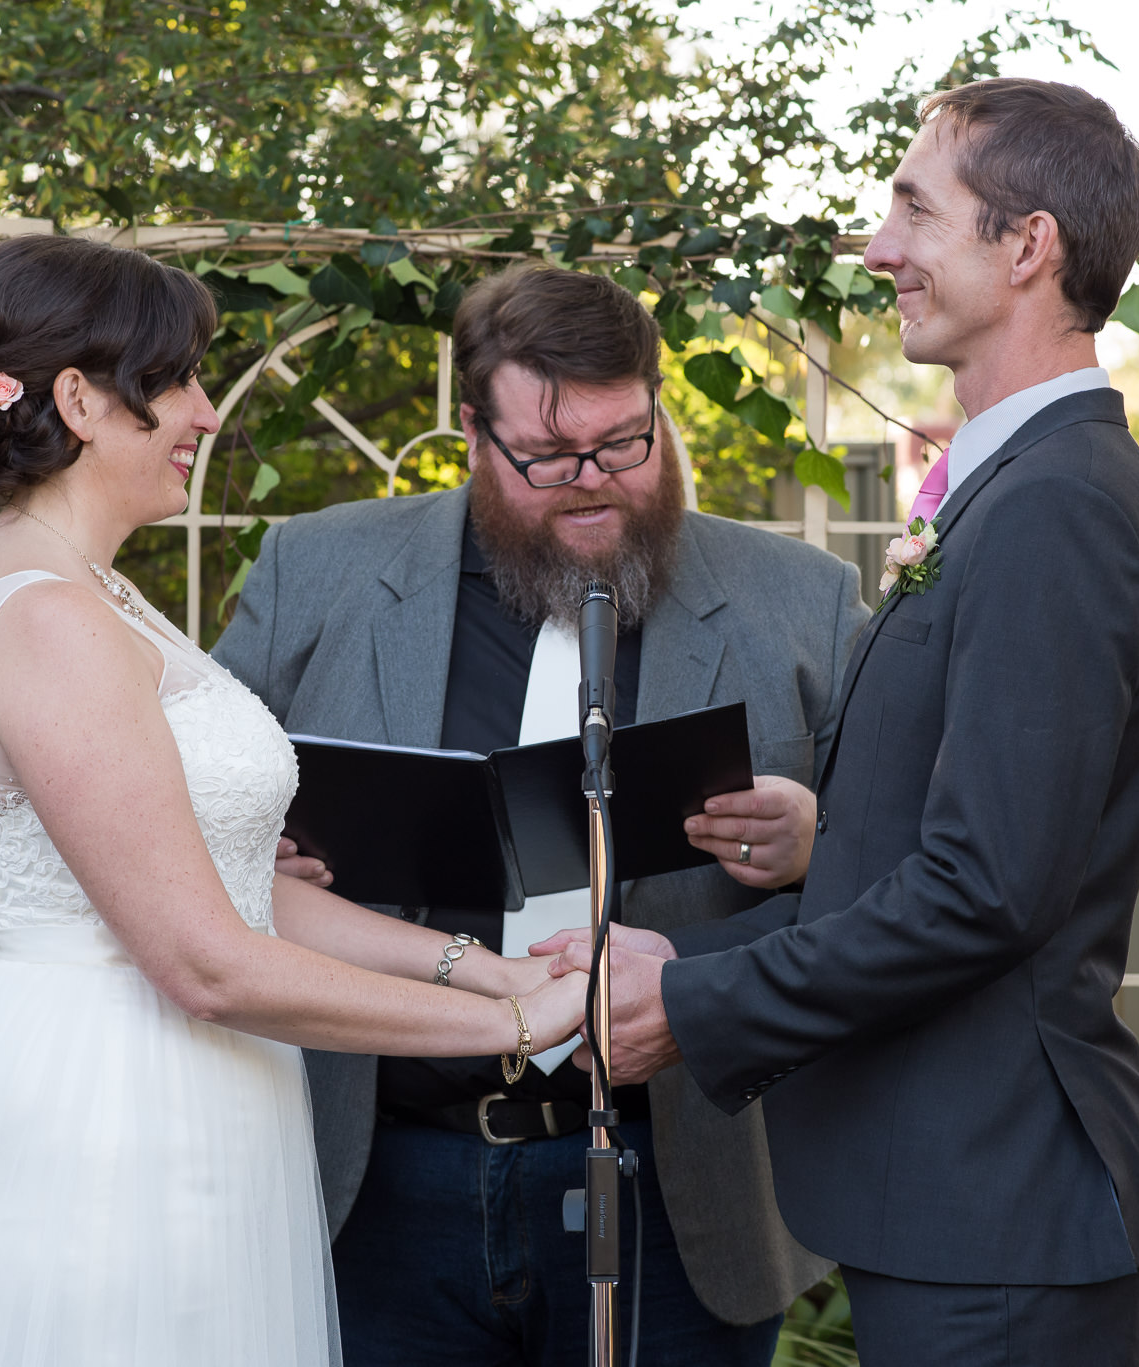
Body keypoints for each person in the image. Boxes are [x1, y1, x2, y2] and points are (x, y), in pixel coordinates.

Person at [0, 234, 588, 1367]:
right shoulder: (48, 618)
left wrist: (492, 964)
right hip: (108, 1115)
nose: (204, 412)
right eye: (175, 380)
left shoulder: (97, 592)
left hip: (195, 1090)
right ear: (79, 399)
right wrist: (514, 1025)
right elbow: (204, 958)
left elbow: (239, 887)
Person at [546, 78, 1139, 1365]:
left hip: (993, 1213)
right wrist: (795, 867)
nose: (880, 247)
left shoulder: (1054, 504)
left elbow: (987, 886)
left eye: (911, 208)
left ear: (1025, 246)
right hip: (950, 1202)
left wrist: (698, 995)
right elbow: (949, 838)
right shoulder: (1010, 485)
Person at [214, 263, 869, 1366]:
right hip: (374, 1178)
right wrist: (250, 839)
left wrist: (816, 842)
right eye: (550, 458)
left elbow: (905, 879)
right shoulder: (315, 570)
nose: (595, 483)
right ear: (471, 430)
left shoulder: (802, 600)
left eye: (625, 442)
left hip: (685, 1185)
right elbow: (190, 812)